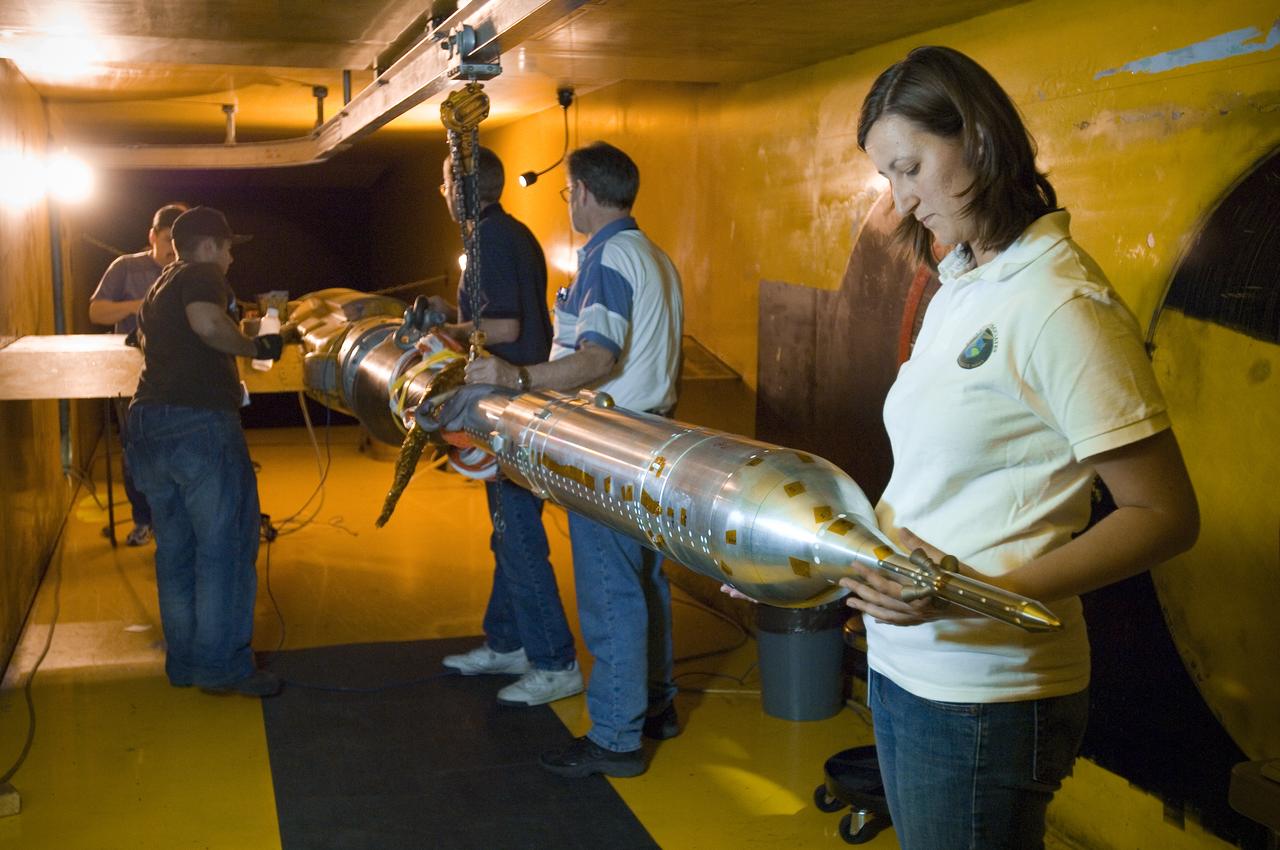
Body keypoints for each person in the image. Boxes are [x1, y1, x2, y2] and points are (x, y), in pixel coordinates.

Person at [837, 46, 1199, 849]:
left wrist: (978, 593)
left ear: (976, 137)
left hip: (984, 692)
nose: (900, 200)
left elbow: (1164, 514)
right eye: (887, 178)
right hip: (910, 664)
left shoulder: (1060, 303)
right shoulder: (964, 285)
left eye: (909, 169)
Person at [465, 141, 685, 778]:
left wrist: (515, 379)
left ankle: (615, 737)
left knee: (610, 591)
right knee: (647, 582)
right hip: (652, 437)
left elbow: (597, 357)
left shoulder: (607, 257)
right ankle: (656, 705)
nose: (570, 203)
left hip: (608, 443)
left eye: (568, 193)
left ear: (584, 192)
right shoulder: (653, 255)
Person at [432, 147, 583, 708]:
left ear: (463, 186)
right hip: (517, 404)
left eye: (446, 182)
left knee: (518, 537)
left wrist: (446, 333)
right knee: (507, 531)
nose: (443, 193)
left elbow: (504, 326)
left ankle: (555, 663)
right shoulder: (508, 233)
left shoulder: (488, 240)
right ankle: (508, 642)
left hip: (507, 411)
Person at [126, 206, 285, 698]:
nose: (231, 259)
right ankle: (221, 667)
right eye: (229, 248)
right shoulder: (201, 274)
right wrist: (258, 349)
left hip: (149, 426)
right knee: (225, 550)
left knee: (176, 551)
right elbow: (207, 325)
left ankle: (185, 662)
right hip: (198, 426)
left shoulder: (160, 285)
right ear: (210, 245)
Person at [89, 203, 187, 546]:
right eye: (168, 239)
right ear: (152, 236)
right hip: (131, 378)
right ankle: (144, 520)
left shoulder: (192, 272)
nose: (173, 249)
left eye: (179, 241)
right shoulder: (126, 267)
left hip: (179, 376)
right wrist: (139, 305)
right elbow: (96, 311)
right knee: (135, 451)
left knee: (180, 447)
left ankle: (177, 520)